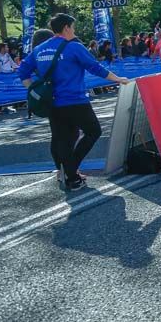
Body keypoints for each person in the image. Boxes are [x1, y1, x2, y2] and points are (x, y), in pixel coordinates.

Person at [19, 15, 131, 190]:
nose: (74, 30)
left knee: (62, 139)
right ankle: (71, 171)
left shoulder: (40, 49)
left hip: (53, 103)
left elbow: (23, 71)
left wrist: (33, 89)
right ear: (65, 28)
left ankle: (69, 176)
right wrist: (117, 79)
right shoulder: (74, 47)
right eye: (72, 27)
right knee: (93, 131)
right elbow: (95, 67)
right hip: (75, 100)